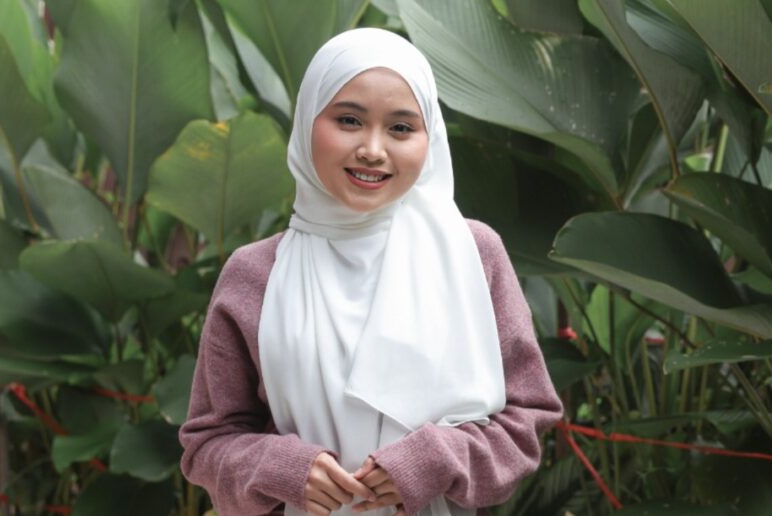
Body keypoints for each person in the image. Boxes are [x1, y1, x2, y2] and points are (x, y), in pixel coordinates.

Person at [178, 28, 563, 516]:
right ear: (307, 121)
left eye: (401, 128)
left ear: (430, 137)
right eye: (349, 120)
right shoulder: (255, 274)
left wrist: (431, 461)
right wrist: (283, 468)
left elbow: (525, 423)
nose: (373, 150)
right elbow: (208, 444)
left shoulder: (471, 254)